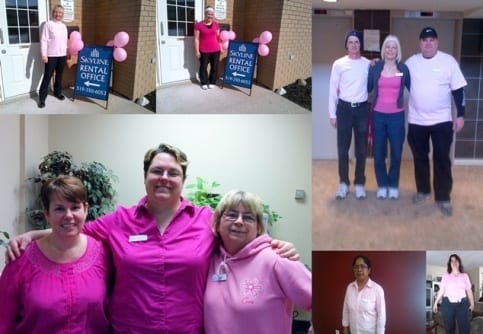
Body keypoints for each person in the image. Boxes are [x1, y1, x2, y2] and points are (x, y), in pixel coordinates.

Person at [7, 143, 298, 333]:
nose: (164, 177)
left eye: (173, 173)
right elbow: (73, 228)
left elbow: (241, 241)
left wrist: (274, 245)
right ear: (145, 176)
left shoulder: (206, 220)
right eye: (156, 170)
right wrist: (32, 234)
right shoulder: (118, 221)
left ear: (183, 181)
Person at [0, 176, 110, 333]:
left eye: (75, 207)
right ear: (46, 213)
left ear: (85, 209)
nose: (69, 215)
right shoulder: (20, 259)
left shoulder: (104, 254)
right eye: (59, 208)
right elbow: (3, 322)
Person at [204, 190, 312, 334]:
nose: (239, 221)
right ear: (217, 223)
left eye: (248, 217)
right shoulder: (210, 258)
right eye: (232, 215)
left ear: (259, 227)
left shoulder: (277, 259)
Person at [405, 27, 467, 216]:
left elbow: (459, 91)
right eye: (424, 40)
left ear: (437, 42)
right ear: (420, 43)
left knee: (441, 159)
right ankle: (423, 191)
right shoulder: (411, 63)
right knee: (420, 158)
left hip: (442, 121)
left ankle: (443, 197)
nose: (428, 43)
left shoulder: (448, 62)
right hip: (416, 121)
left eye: (432, 40)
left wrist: (460, 115)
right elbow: (395, 77)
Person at [328, 30, 371, 200]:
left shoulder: (368, 64)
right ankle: (344, 183)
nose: (354, 45)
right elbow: (332, 90)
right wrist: (332, 113)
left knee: (361, 150)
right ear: (346, 45)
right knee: (343, 149)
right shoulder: (339, 64)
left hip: (362, 110)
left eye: (357, 42)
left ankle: (359, 183)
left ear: (361, 45)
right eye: (351, 42)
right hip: (344, 109)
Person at [367, 35, 411, 200]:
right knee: (378, 154)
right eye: (388, 47)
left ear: (397, 50)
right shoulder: (376, 67)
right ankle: (382, 185)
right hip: (378, 116)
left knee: (396, 154)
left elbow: (414, 89)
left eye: (394, 47)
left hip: (396, 117)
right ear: (383, 49)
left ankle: (393, 185)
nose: (390, 50)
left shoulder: (404, 69)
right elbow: (367, 87)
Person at [342, 255, 386, 334]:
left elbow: (381, 316)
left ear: (369, 270)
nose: (359, 269)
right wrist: (345, 328)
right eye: (356, 267)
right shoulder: (350, 287)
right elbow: (346, 309)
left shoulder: (377, 290)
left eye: (362, 266)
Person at [433, 254, 474, 334]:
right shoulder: (445, 276)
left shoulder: (465, 276)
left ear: (459, 262)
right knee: (449, 329)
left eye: (456, 260)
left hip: (462, 304)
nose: (454, 262)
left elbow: (469, 290)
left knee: (465, 329)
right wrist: (435, 303)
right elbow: (441, 290)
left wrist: (472, 303)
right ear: (450, 264)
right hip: (448, 305)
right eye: (452, 261)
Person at [38, 4, 68, 108]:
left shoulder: (64, 26)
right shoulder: (48, 24)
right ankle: (42, 98)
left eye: (60, 12)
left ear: (62, 14)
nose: (58, 14)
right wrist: (44, 54)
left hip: (62, 55)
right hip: (51, 55)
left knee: (59, 76)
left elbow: (64, 41)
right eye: (56, 12)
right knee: (47, 77)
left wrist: (66, 52)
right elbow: (44, 40)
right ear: (53, 13)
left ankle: (57, 92)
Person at [194, 6, 221, 90]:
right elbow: (196, 39)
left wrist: (221, 47)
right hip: (204, 50)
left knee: (214, 67)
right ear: (205, 14)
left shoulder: (216, 25)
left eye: (212, 14)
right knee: (203, 66)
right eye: (208, 14)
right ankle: (204, 82)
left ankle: (212, 81)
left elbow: (218, 38)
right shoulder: (198, 25)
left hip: (216, 50)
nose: (210, 16)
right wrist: (197, 51)